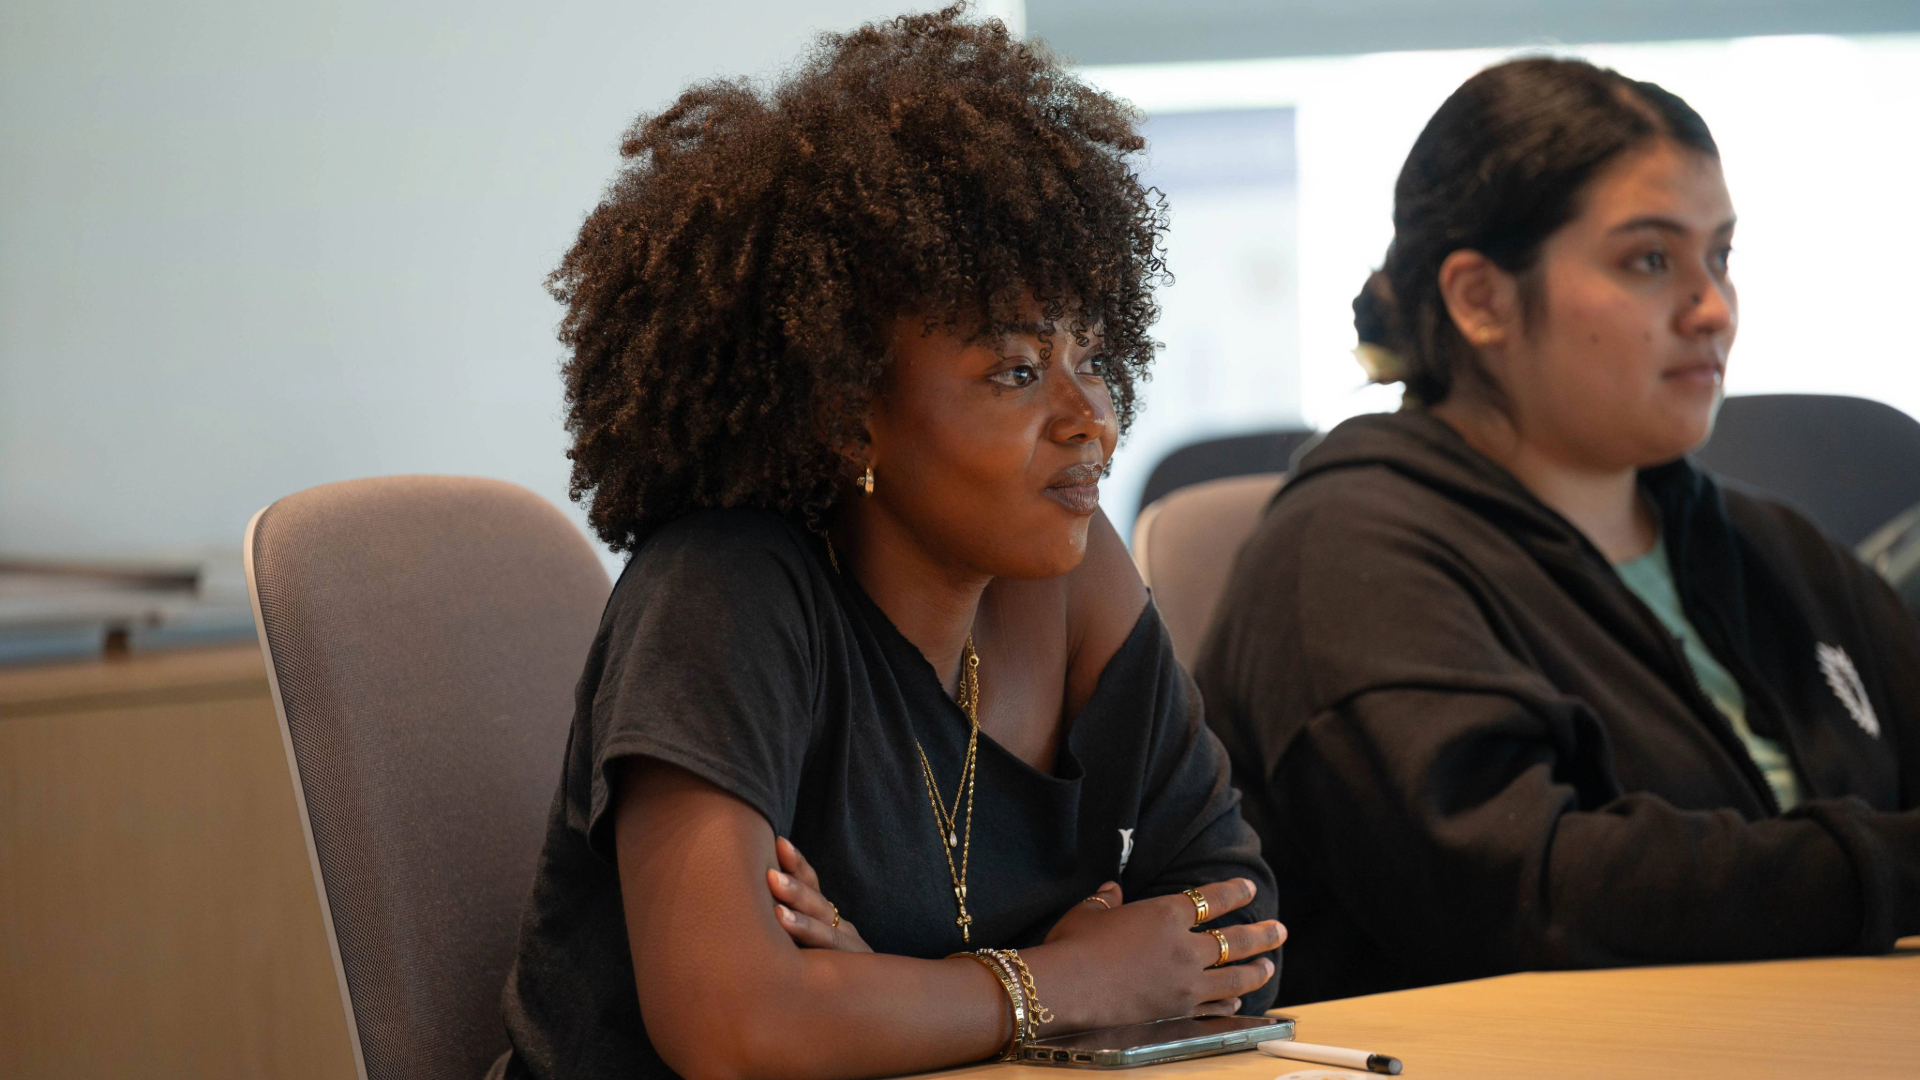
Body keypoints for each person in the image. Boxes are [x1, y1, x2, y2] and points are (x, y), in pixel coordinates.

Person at [494, 9, 1285, 1079]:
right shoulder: (721, 594)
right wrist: (1065, 981)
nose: (1089, 415)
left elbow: (1239, 932)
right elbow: (737, 1026)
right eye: (1014, 372)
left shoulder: (1071, 571)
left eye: (1091, 356)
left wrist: (886, 995)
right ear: (848, 414)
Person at [1196, 56, 1920, 1006]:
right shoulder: (1348, 555)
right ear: (1481, 298)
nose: (1713, 309)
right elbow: (1529, 893)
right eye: (1650, 260)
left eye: (1721, 256)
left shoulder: (1766, 545)